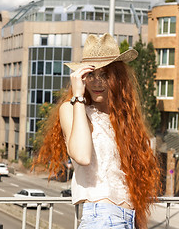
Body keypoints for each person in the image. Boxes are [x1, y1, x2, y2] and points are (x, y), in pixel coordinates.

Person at [34, 33, 161, 228]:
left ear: (117, 78)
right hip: (102, 218)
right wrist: (77, 96)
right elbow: (82, 156)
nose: (97, 82)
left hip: (127, 218)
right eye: (90, 74)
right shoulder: (72, 109)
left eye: (105, 74)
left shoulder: (123, 119)